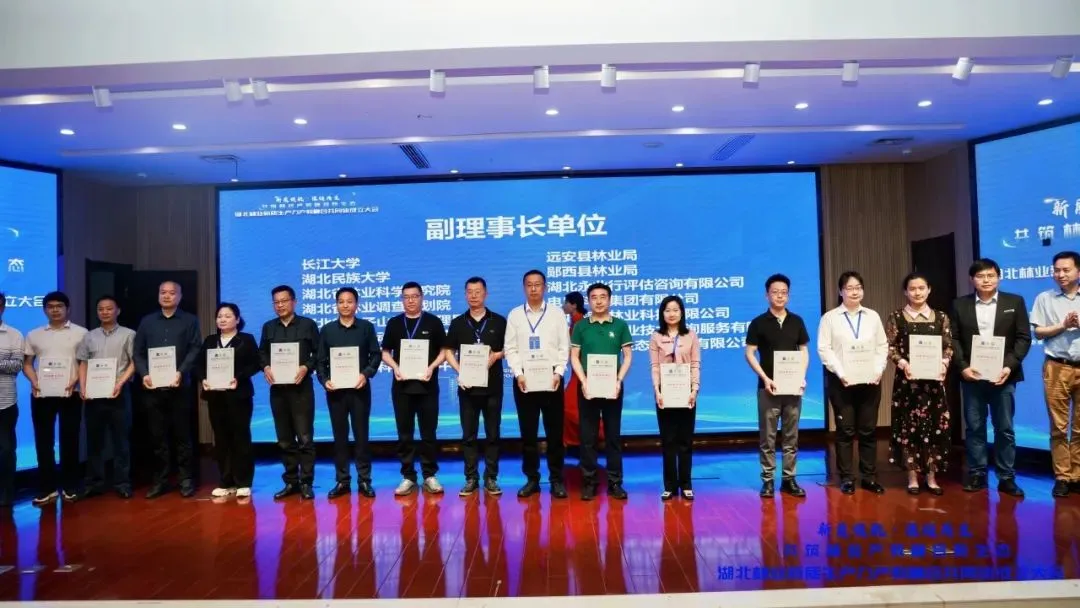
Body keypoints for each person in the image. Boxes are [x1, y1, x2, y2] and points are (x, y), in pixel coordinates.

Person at [950, 258, 1030, 497]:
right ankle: (977, 473)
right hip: (972, 377)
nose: (986, 280)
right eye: (980, 276)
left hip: (1003, 376)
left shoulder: (1014, 302)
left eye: (991, 275)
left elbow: (1023, 338)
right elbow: (953, 338)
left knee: (1004, 428)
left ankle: (1006, 477)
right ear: (972, 279)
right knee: (975, 427)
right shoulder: (959, 304)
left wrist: (1009, 366)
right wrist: (963, 367)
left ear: (999, 277)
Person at [816, 271, 888, 495]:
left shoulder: (872, 316)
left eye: (858, 287)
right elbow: (824, 349)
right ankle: (847, 478)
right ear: (841, 291)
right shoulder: (830, 318)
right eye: (849, 288)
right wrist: (840, 372)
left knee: (868, 430)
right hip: (842, 382)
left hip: (870, 380)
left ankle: (869, 477)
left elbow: (882, 346)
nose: (854, 292)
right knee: (845, 431)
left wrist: (878, 370)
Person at [885, 273, 953, 495]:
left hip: (933, 384)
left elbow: (948, 346)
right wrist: (903, 363)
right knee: (908, 427)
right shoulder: (896, 317)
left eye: (921, 288)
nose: (917, 292)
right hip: (908, 383)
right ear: (905, 292)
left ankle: (932, 476)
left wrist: (944, 362)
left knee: (934, 426)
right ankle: (912, 477)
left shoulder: (941, 317)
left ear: (929, 289)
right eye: (912, 289)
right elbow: (889, 347)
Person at [133, 281, 202, 499]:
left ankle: (186, 479)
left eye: (172, 293)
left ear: (179, 297)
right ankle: (160, 480)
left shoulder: (190, 320)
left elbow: (195, 348)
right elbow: (137, 352)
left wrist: (181, 371)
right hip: (152, 388)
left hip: (179, 386)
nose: (167, 296)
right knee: (157, 436)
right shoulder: (147, 321)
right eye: (163, 292)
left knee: (182, 436)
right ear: (158, 295)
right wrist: (144, 373)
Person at [504, 270, 569, 498]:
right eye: (529, 285)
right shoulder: (515, 315)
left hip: (552, 379)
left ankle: (556, 479)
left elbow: (564, 346)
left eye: (538, 284)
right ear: (524, 288)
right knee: (528, 434)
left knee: (554, 433)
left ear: (545, 287)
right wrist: (518, 373)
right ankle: (532, 479)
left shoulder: (556, 313)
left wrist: (558, 372)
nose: (533, 288)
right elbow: (510, 348)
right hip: (525, 380)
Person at [745, 274, 810, 498]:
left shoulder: (797, 321)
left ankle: (789, 479)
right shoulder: (758, 323)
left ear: (788, 295)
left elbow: (804, 351)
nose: (780, 296)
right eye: (775, 292)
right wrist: (765, 378)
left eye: (784, 292)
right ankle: (768, 480)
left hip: (792, 388)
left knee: (791, 437)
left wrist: (801, 376)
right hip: (768, 388)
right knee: (768, 437)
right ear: (767, 295)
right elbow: (750, 353)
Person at [381, 282, 447, 496]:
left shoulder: (433, 322)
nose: (410, 300)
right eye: (406, 297)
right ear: (402, 299)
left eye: (414, 296)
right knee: (405, 433)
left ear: (422, 297)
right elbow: (385, 352)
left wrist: (431, 367)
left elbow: (444, 351)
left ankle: (429, 475)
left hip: (427, 386)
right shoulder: (394, 323)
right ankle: (408, 476)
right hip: (402, 387)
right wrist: (395, 367)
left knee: (429, 433)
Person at [23, 291, 88, 505]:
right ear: (44, 310)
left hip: (71, 392)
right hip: (42, 393)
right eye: (50, 306)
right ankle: (47, 488)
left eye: (59, 306)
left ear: (68, 309)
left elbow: (85, 363)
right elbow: (27, 364)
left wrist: (75, 380)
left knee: (70, 440)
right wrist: (34, 381)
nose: (55, 310)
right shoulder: (34, 334)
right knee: (44, 441)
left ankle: (70, 486)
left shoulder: (81, 333)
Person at [444, 277, 507, 496]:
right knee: (469, 435)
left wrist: (496, 355)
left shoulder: (499, 321)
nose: (473, 295)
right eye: (469, 292)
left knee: (493, 434)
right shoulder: (458, 323)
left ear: (485, 294)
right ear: (465, 295)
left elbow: (510, 349)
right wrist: (460, 370)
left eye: (478, 291)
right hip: (468, 388)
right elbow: (448, 351)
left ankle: (491, 478)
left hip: (493, 388)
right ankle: (471, 478)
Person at [570, 282, 633, 501]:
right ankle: (589, 482)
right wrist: (583, 381)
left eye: (603, 297)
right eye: (594, 297)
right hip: (588, 385)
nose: (598, 301)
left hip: (612, 385)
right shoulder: (581, 326)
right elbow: (574, 357)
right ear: (588, 301)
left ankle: (615, 482)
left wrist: (619, 380)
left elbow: (628, 356)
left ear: (610, 300)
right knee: (588, 437)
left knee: (613, 436)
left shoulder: (620, 325)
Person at [316, 287, 381, 499]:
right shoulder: (327, 330)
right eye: (341, 301)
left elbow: (375, 355)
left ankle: (364, 480)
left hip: (360, 390)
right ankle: (342, 480)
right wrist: (325, 380)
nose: (345, 305)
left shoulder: (366, 327)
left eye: (349, 301)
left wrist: (366, 374)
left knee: (362, 436)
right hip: (335, 392)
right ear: (336, 305)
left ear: (356, 304)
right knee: (340, 437)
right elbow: (320, 361)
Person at [259, 285, 320, 501]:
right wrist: (266, 367)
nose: (280, 305)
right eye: (276, 302)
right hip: (278, 391)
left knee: (305, 438)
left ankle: (306, 482)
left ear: (294, 301)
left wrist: (306, 367)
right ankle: (291, 481)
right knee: (284, 439)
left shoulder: (308, 325)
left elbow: (319, 353)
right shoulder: (268, 327)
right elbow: (262, 353)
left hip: (301, 389)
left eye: (284, 301)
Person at [1028, 251, 1080, 498]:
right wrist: (1063, 325)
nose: (1060, 274)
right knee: (1059, 426)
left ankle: (1077, 475)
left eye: (1066, 270)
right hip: (1057, 366)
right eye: (1057, 270)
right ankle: (1062, 476)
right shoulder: (1044, 298)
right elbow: (1038, 332)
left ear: (1078, 272)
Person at [197, 303, 260, 499]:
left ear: (237, 319)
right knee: (221, 438)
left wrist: (238, 378)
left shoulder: (246, 340)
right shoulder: (210, 341)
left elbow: (255, 364)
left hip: (239, 395)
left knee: (241, 437)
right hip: (215, 396)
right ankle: (226, 481)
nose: (222, 319)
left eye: (228, 316)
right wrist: (203, 379)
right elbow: (199, 365)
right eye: (220, 316)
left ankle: (244, 481)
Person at [77, 295, 135, 499]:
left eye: (109, 308)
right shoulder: (89, 336)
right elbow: (83, 362)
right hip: (94, 395)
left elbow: (134, 362)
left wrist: (120, 383)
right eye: (101, 309)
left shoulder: (129, 334)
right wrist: (83, 386)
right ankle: (94, 483)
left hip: (119, 393)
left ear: (118, 311)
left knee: (121, 441)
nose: (105, 312)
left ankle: (122, 483)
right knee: (94, 441)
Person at [649, 295, 701, 501]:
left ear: (682, 313)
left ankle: (686, 484)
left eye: (675, 310)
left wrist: (694, 390)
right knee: (668, 440)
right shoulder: (656, 336)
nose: (671, 314)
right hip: (665, 393)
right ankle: (669, 485)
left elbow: (695, 364)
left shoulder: (691, 335)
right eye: (667, 310)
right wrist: (657, 390)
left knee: (685, 440)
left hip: (686, 392)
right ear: (662, 313)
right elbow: (654, 366)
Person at [562, 292, 598, 447]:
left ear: (574, 305)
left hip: (581, 372)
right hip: (576, 372)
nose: (563, 306)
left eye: (566, 303)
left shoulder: (579, 324)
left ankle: (588, 438)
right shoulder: (574, 322)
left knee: (571, 406)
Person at [0, 293, 23, 508]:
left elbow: (16, 365)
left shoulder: (13, 335)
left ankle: (7, 492)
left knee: (6, 450)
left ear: (3, 307)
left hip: (5, 402)